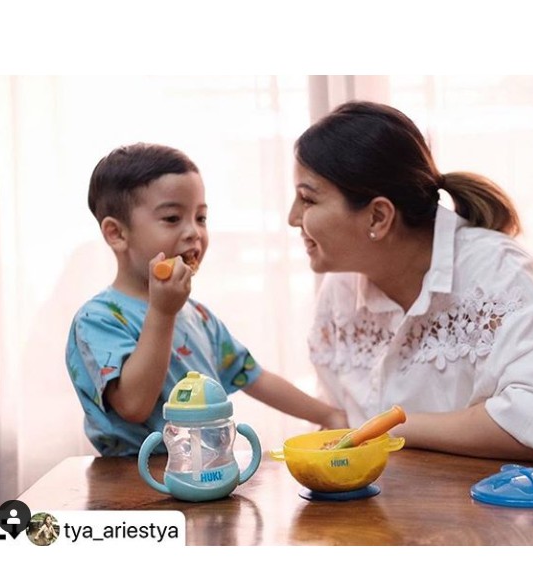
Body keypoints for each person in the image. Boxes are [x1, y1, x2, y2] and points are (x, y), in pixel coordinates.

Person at [288, 101, 533, 464]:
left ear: (378, 216)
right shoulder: (341, 292)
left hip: (504, 514)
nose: (292, 217)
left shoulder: (498, 271)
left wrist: (394, 429)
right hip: (385, 513)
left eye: (307, 199)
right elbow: (343, 423)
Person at [66, 143, 347, 456]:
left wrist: (328, 415)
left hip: (206, 474)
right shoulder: (98, 319)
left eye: (201, 218)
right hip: (132, 483)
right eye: (173, 218)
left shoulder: (197, 315)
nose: (193, 233)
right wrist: (162, 311)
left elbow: (255, 376)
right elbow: (133, 405)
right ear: (117, 234)